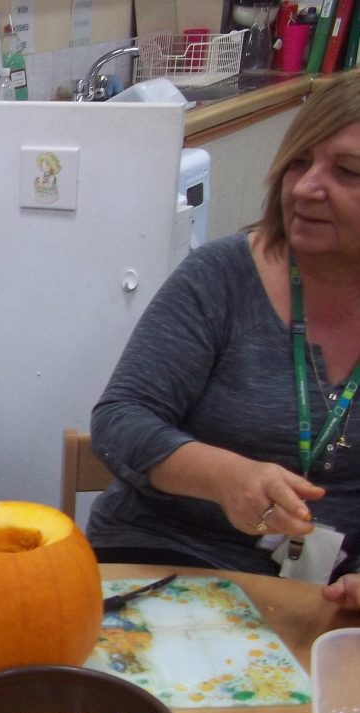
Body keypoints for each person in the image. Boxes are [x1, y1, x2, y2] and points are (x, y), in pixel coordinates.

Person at [86, 70, 360, 610]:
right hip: (166, 560)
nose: (305, 187)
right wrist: (225, 477)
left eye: (347, 172)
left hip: (330, 600)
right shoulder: (222, 277)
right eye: (299, 162)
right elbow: (119, 421)